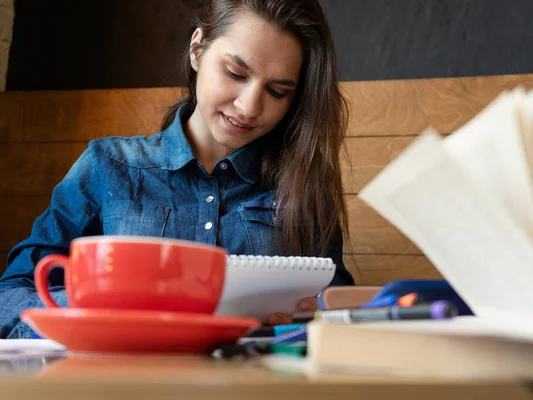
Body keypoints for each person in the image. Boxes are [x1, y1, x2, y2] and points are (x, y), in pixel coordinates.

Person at [0, 0, 355, 339]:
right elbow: (10, 297)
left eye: (277, 91)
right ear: (197, 49)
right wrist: (97, 305)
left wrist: (313, 320)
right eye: (235, 73)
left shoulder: (302, 188)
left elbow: (339, 308)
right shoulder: (108, 167)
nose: (248, 107)